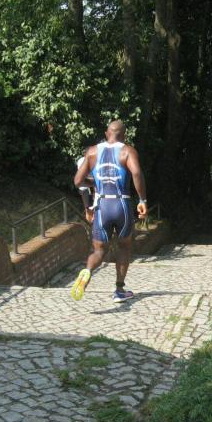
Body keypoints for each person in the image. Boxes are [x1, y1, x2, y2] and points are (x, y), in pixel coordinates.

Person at [70, 120, 147, 302]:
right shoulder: (127, 151)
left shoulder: (92, 152)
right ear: (124, 135)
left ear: (107, 133)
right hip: (122, 204)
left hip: (102, 205)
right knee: (124, 246)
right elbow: (136, 173)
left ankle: (87, 271)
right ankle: (119, 290)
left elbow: (78, 181)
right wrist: (142, 199)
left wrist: (95, 183)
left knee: (98, 250)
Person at [75, 156, 96, 223]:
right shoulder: (82, 160)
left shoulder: (93, 159)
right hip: (85, 188)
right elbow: (83, 175)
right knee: (88, 208)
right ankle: (90, 224)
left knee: (95, 206)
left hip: (92, 186)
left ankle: (94, 222)